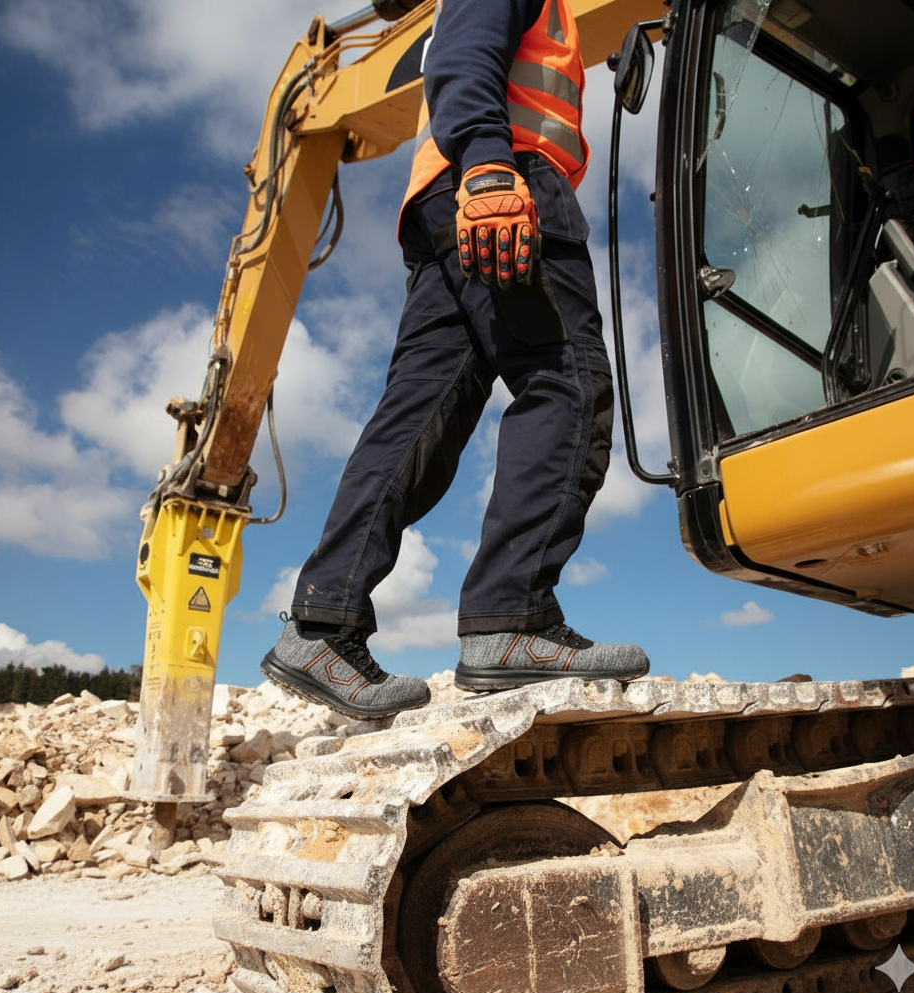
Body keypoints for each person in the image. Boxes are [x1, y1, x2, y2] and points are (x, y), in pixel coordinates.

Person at [260, 0, 650, 718]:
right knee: (566, 383)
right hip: (506, 176)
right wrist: (490, 168)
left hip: (449, 196)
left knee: (422, 411)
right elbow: (461, 59)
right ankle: (513, 617)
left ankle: (323, 623)